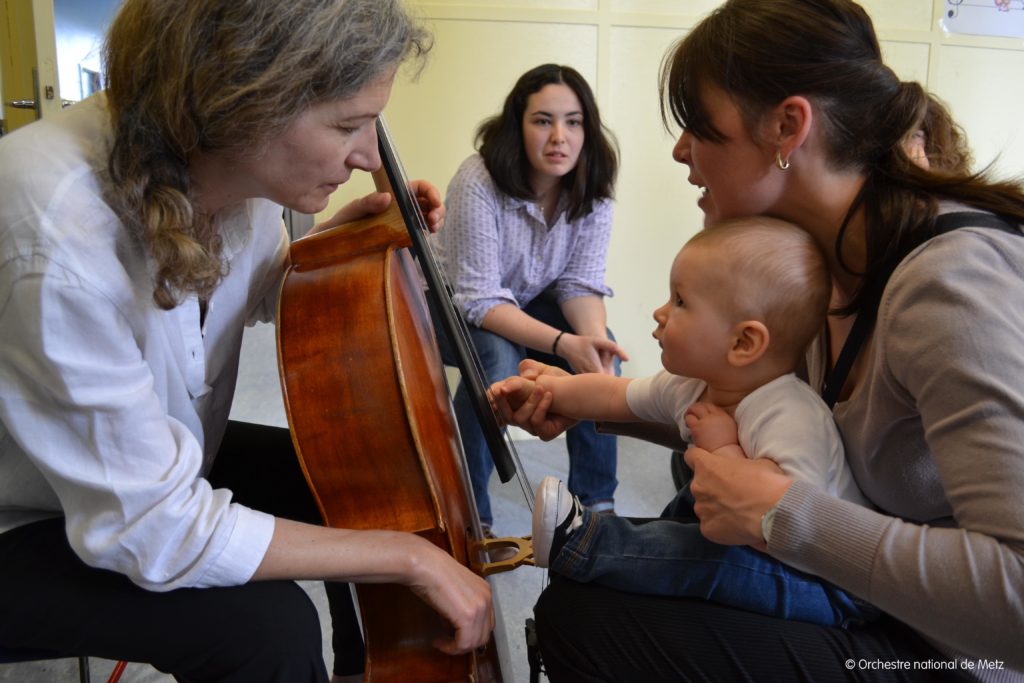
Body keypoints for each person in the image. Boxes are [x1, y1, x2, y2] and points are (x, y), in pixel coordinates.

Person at [495, 0, 1024, 680]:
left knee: (591, 617)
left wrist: (780, 512)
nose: (682, 151)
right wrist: (588, 402)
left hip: (955, 651)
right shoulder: (820, 260)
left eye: (700, 127)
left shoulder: (948, 284)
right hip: (871, 605)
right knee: (618, 566)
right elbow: (766, 422)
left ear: (788, 127)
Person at [0, 2, 495, 682]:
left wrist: (340, 247)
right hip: (29, 514)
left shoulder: (232, 170)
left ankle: (374, 667)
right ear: (244, 99)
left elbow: (252, 289)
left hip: (141, 461)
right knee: (266, 627)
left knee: (358, 476)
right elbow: (153, 528)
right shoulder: (56, 235)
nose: (369, 154)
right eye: (348, 125)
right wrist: (403, 556)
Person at [493, 216, 879, 628]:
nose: (659, 312)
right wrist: (549, 392)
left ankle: (588, 542)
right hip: (773, 556)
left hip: (827, 586)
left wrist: (724, 450)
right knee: (690, 507)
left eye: (680, 301)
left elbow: (787, 528)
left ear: (743, 343)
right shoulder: (690, 385)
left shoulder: (789, 415)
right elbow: (612, 395)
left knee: (710, 557)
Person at [432, 63, 627, 534]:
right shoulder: (478, 179)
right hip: (446, 301)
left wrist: (592, 346)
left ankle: (596, 507)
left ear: (587, 129)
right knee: (496, 361)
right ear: (517, 126)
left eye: (573, 122)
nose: (559, 136)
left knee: (601, 356)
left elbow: (579, 283)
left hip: (519, 300)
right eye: (543, 120)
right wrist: (563, 344)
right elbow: (479, 300)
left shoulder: (592, 191)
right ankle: (470, 515)